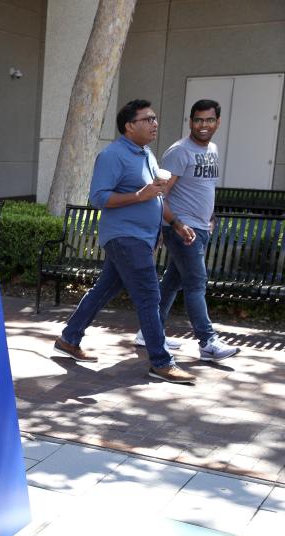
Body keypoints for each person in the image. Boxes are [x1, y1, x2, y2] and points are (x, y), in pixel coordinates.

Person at [52, 99, 196, 385]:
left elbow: (154, 195)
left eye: (155, 119)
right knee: (149, 296)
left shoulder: (146, 154)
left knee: (103, 290)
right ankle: (161, 361)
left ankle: (69, 338)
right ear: (130, 126)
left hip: (141, 238)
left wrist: (177, 223)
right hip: (124, 237)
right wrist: (138, 196)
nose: (155, 124)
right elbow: (98, 198)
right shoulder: (112, 156)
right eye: (148, 119)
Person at [134, 99, 240, 361]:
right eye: (198, 120)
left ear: (218, 122)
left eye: (209, 120)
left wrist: (210, 217)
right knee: (196, 282)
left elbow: (205, 188)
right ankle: (207, 341)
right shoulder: (179, 152)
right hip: (182, 228)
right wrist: (176, 225)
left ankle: (148, 333)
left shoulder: (212, 149)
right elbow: (161, 195)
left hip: (200, 227)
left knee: (173, 282)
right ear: (190, 121)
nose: (203, 125)